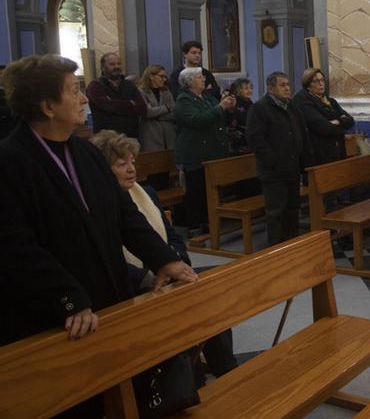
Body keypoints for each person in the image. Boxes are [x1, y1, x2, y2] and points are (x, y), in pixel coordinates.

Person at [0, 55, 197, 416]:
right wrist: (69, 298)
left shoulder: (85, 153)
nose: (84, 98)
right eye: (74, 91)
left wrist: (164, 258)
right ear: (47, 106)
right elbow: (14, 247)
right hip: (56, 313)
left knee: (120, 391)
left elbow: (124, 215)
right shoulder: (10, 161)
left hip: (107, 295)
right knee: (76, 403)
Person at [90, 129, 237, 378]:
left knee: (212, 284)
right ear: (103, 169)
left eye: (132, 162)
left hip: (167, 274)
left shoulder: (147, 194)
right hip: (134, 285)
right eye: (121, 164)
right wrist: (151, 276)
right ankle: (190, 380)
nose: (131, 169)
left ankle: (225, 370)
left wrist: (176, 263)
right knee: (186, 306)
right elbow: (109, 255)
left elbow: (174, 238)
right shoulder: (96, 206)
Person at [246, 72, 311, 247]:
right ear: (271, 88)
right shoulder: (260, 108)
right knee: (276, 212)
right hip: (273, 171)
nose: (287, 88)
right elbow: (255, 139)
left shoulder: (291, 106)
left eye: (288, 84)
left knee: (292, 209)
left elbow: (300, 132)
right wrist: (271, 161)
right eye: (282, 85)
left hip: (292, 167)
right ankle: (276, 248)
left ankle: (292, 245)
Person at [174, 67, 236, 233]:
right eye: (199, 77)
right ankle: (194, 225)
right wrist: (219, 107)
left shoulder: (207, 97)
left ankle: (208, 221)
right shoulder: (183, 100)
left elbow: (220, 116)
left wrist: (228, 107)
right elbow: (197, 120)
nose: (203, 79)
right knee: (196, 190)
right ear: (189, 82)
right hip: (195, 152)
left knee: (209, 189)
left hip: (212, 150)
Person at [293, 68, 354, 167]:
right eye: (316, 81)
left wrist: (336, 122)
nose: (321, 84)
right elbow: (323, 127)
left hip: (336, 149)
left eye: (322, 80)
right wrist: (341, 124)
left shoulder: (330, 101)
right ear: (308, 85)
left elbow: (350, 120)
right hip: (318, 154)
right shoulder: (303, 102)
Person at [86, 52, 146, 138]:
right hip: (107, 138)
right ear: (103, 67)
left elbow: (142, 108)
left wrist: (114, 104)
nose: (116, 66)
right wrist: (130, 103)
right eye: (112, 64)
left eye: (118, 64)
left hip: (131, 136)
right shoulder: (95, 86)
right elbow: (108, 106)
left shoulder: (129, 85)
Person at [137, 64, 176, 152]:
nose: (164, 79)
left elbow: (174, 112)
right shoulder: (141, 92)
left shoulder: (166, 92)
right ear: (151, 76)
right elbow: (147, 112)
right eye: (161, 76)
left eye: (165, 77)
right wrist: (166, 107)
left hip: (169, 137)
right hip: (150, 136)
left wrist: (156, 115)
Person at [226, 77, 254, 155]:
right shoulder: (235, 103)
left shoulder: (249, 102)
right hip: (239, 143)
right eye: (246, 88)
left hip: (249, 140)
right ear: (238, 90)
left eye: (251, 88)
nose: (250, 91)